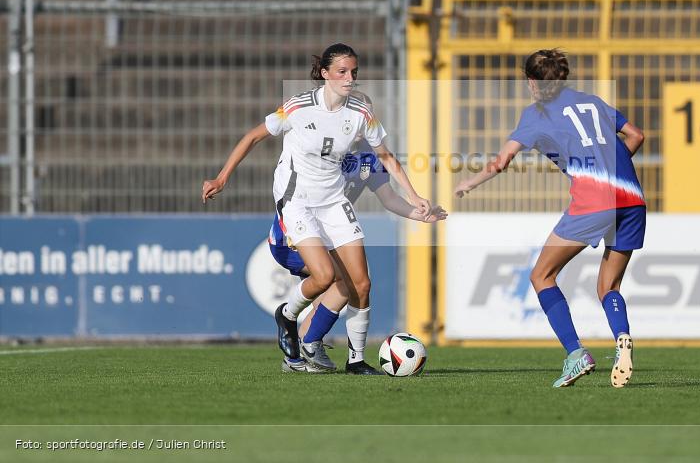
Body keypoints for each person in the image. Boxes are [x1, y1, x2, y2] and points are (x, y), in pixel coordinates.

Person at [202, 43, 430, 375]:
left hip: (333, 202)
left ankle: (355, 361)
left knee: (360, 284)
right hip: (297, 202)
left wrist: (415, 198)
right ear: (324, 74)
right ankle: (288, 316)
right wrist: (222, 178)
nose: (349, 78)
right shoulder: (297, 107)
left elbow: (387, 159)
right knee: (325, 277)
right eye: (342, 72)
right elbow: (252, 137)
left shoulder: (361, 114)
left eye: (354, 72)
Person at [453, 49, 646, 389]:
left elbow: (501, 162)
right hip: (632, 197)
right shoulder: (593, 102)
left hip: (594, 201)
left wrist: (469, 182)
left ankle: (576, 354)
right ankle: (622, 338)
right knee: (609, 286)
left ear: (531, 81)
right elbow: (636, 136)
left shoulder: (536, 114)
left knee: (542, 275)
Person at [272, 112, 447, 374]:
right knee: (346, 281)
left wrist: (418, 214)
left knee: (347, 283)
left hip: (330, 237)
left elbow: (388, 198)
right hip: (290, 237)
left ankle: (304, 352)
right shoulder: (322, 146)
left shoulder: (368, 156)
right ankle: (306, 338)